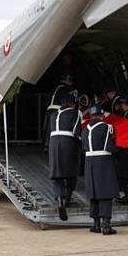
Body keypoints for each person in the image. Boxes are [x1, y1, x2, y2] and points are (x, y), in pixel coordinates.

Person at [81, 104, 119, 235]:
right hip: (103, 162)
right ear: (102, 115)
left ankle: (96, 225)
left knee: (94, 194)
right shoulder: (106, 127)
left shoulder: (85, 128)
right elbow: (110, 146)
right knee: (106, 193)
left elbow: (83, 147)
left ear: (91, 115)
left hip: (89, 162)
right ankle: (106, 225)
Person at [48, 92, 82, 221]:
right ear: (73, 103)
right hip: (68, 144)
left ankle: (60, 198)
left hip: (54, 144)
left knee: (57, 174)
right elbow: (76, 132)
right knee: (72, 172)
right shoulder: (75, 113)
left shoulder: (54, 114)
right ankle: (67, 198)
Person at [43, 74, 76, 152]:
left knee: (48, 128)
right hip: (59, 109)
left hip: (49, 109)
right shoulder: (68, 89)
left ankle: (46, 145)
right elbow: (69, 101)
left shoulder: (53, 88)